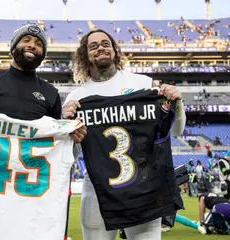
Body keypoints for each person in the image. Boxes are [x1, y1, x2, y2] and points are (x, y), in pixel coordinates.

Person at [62, 29, 186, 240]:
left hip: (143, 186)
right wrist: (66, 128)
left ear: (114, 50)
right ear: (85, 55)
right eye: (93, 46)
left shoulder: (143, 84)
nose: (100, 47)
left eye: (105, 43)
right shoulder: (76, 98)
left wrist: (178, 104)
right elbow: (70, 155)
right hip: (97, 188)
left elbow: (176, 130)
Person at [0, 23, 86, 147]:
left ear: (42, 56)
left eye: (38, 44)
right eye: (26, 40)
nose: (31, 45)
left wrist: (73, 135)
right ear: (13, 48)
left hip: (29, 176)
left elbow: (56, 144)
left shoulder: (51, 93)